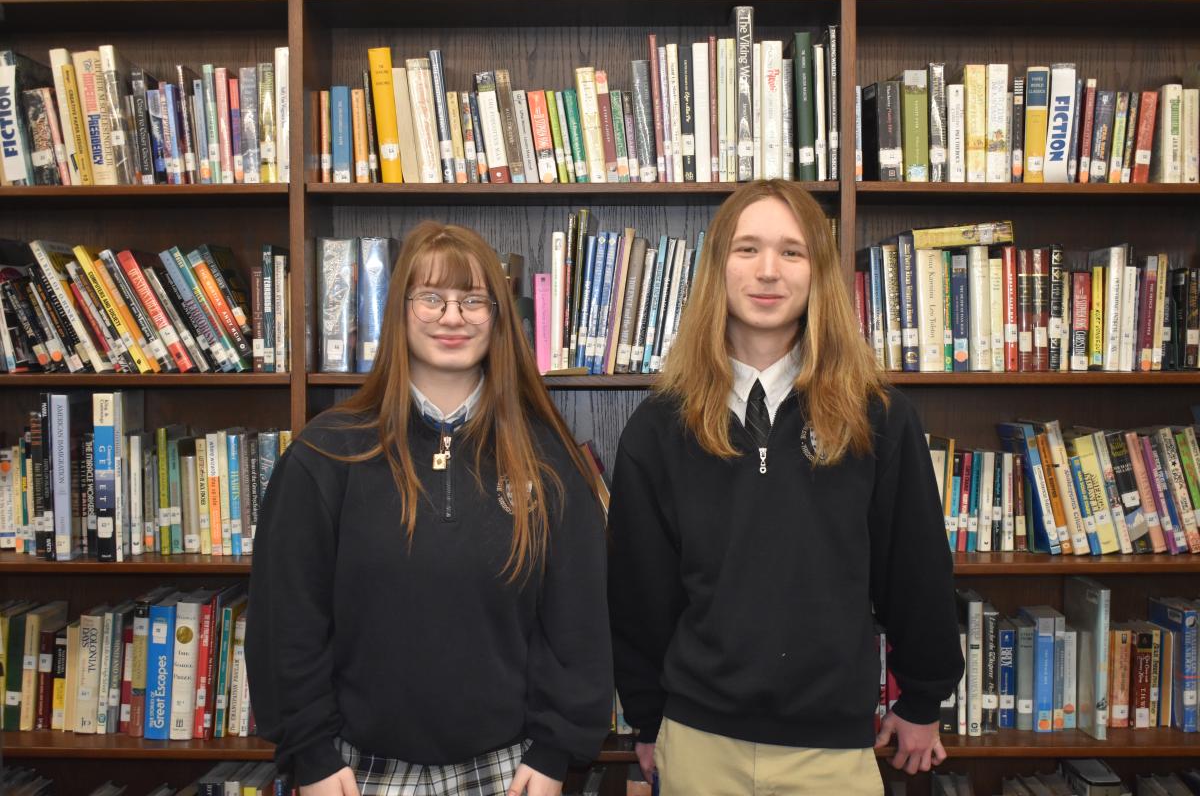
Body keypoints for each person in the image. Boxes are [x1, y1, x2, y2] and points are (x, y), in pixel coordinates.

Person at [607, 180, 964, 795]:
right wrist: (646, 717)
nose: (768, 271)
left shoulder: (878, 417)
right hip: (697, 740)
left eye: (792, 252)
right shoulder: (659, 426)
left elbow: (916, 569)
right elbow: (638, 594)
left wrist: (923, 697)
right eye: (747, 249)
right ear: (716, 268)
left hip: (831, 749)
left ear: (818, 271)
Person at [246, 222, 612, 796]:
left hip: (511, 772)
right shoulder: (327, 454)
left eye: (473, 300)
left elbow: (579, 622)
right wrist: (310, 754)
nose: (452, 317)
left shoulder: (548, 459)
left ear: (499, 318)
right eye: (431, 298)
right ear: (398, 311)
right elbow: (287, 617)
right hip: (352, 772)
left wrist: (554, 751)